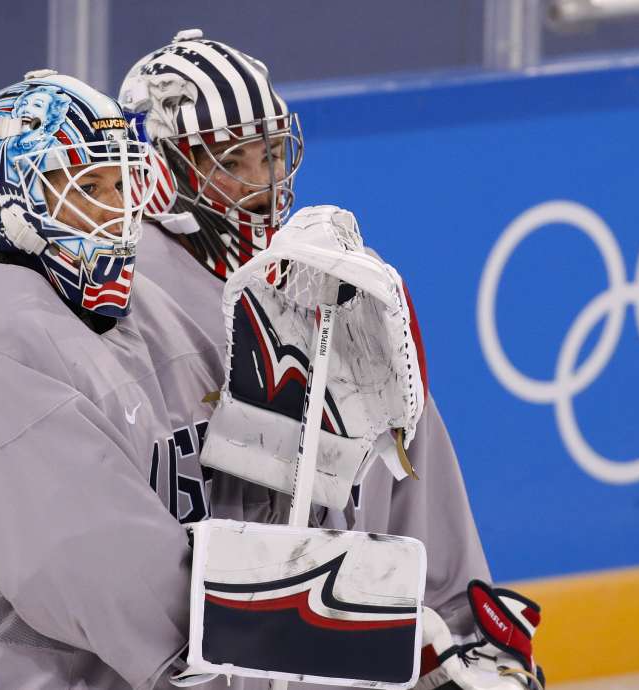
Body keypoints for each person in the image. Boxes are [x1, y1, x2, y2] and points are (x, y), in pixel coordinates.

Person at [117, 29, 494, 641]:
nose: (261, 183)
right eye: (229, 162)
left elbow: (415, 470)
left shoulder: (320, 276)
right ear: (158, 168)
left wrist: (459, 627)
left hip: (299, 636)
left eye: (268, 154)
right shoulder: (108, 301)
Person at [0, 70, 231, 689]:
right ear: (10, 196)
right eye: (87, 185)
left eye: (123, 184)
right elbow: (92, 558)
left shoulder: (119, 310)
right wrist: (234, 655)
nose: (114, 212)